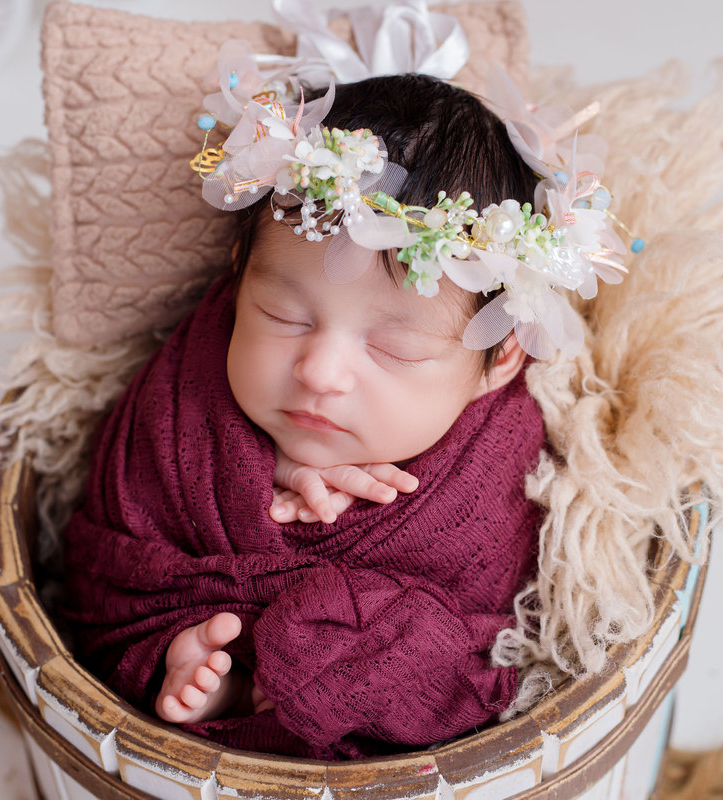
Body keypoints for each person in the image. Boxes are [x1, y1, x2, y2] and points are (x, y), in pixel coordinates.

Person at [61, 59, 626, 758]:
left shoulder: (497, 464)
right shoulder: (189, 390)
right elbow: (111, 549)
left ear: (500, 359)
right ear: (238, 280)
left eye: (393, 349)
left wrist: (329, 650)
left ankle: (268, 695)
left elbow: (482, 643)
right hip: (179, 614)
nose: (320, 373)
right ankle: (207, 677)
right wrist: (253, 467)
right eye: (283, 315)